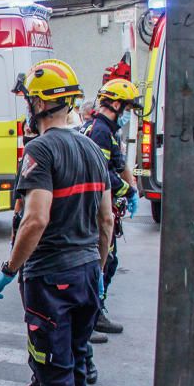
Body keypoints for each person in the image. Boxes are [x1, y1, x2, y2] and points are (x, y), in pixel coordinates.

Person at [0, 59, 113, 386]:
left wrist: (8, 270)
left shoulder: (41, 150)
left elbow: (35, 220)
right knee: (74, 361)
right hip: (84, 273)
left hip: (50, 277)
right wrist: (98, 267)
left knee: (53, 369)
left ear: (40, 103)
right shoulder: (93, 149)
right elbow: (106, 218)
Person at [81, 79, 141, 339]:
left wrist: (131, 185)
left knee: (108, 261)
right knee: (100, 261)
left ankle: (95, 312)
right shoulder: (100, 131)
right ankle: (89, 317)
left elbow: (117, 163)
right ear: (116, 104)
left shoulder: (107, 129)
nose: (128, 114)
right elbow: (101, 172)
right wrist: (127, 191)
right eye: (127, 108)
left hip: (103, 205)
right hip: (96, 208)